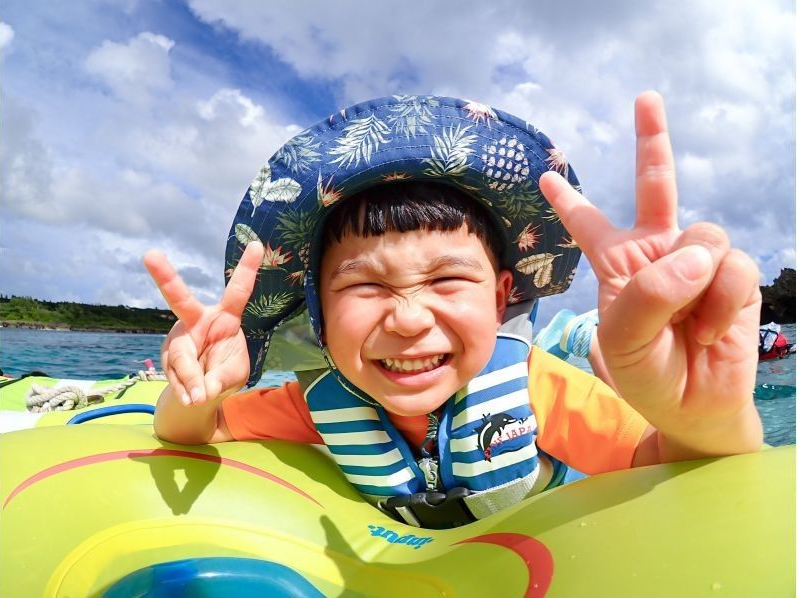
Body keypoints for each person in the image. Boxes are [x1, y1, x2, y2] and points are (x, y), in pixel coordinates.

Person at [144, 91, 762, 528]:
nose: (409, 319)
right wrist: (196, 392)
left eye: (446, 280)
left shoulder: (536, 391)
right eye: (364, 287)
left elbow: (660, 466)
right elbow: (195, 432)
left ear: (499, 300)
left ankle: (586, 341)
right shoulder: (316, 403)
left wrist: (704, 420)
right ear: (320, 318)